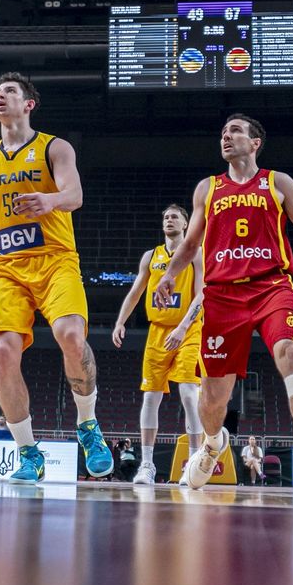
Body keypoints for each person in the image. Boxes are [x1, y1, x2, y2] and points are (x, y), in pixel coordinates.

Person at [155, 113, 293, 495]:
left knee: (290, 352)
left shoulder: (277, 182)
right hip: (222, 296)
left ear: (255, 143)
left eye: (235, 131)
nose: (226, 136)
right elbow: (189, 245)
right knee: (213, 396)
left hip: (272, 286)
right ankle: (212, 445)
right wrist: (170, 275)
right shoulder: (207, 188)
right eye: (223, 131)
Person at [0, 73, 112, 483]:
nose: (1, 96)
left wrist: (49, 200)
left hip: (55, 260)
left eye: (10, 92)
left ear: (29, 104)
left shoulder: (55, 147)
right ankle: (28, 452)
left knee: (71, 335)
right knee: (3, 352)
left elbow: (75, 195)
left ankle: (88, 425)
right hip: (7, 270)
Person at [111, 203, 205, 485]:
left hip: (189, 329)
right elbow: (135, 291)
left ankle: (193, 464)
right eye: (165, 216)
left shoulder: (196, 253)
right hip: (158, 332)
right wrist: (120, 321)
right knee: (150, 397)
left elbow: (203, 295)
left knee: (189, 394)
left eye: (175, 216)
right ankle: (148, 465)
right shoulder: (150, 257)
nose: (169, 219)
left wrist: (183, 326)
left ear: (186, 224)